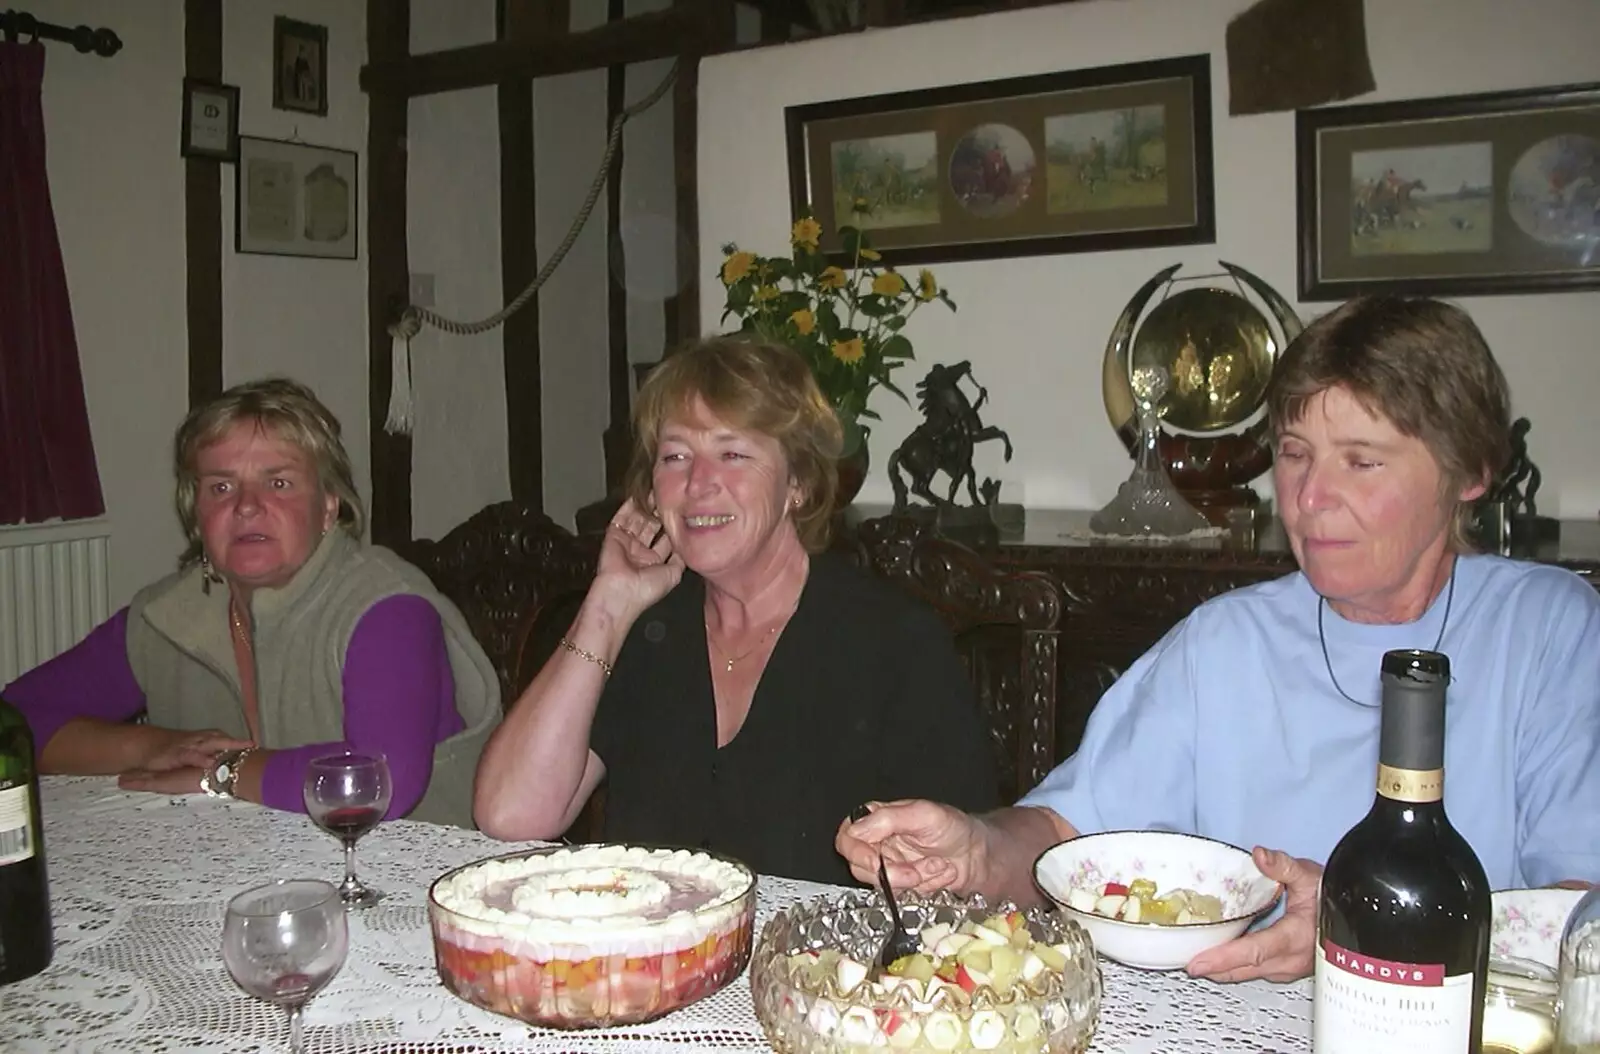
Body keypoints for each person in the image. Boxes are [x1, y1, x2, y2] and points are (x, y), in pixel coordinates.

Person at [837, 295, 1600, 982]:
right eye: (1295, 454)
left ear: (1470, 471)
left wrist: (1353, 931)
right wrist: (972, 851)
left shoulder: (1548, 634)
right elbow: (1067, 835)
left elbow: (1582, 914)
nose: (1310, 498)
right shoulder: (1228, 641)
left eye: (1361, 461)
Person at [473, 336, 999, 885]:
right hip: (654, 962)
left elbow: (953, 881)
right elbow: (509, 816)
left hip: (822, 966)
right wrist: (608, 605)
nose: (697, 484)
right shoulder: (646, 631)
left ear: (796, 482)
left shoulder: (896, 645)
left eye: (733, 454)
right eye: (675, 456)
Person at [3, 378, 501, 827]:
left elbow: (379, 780)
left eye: (278, 482)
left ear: (329, 507)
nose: (245, 505)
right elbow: (17, 721)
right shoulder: (165, 617)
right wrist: (156, 746)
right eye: (221, 486)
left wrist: (222, 771)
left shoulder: (387, 604)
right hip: (243, 871)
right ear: (196, 514)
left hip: (408, 882)